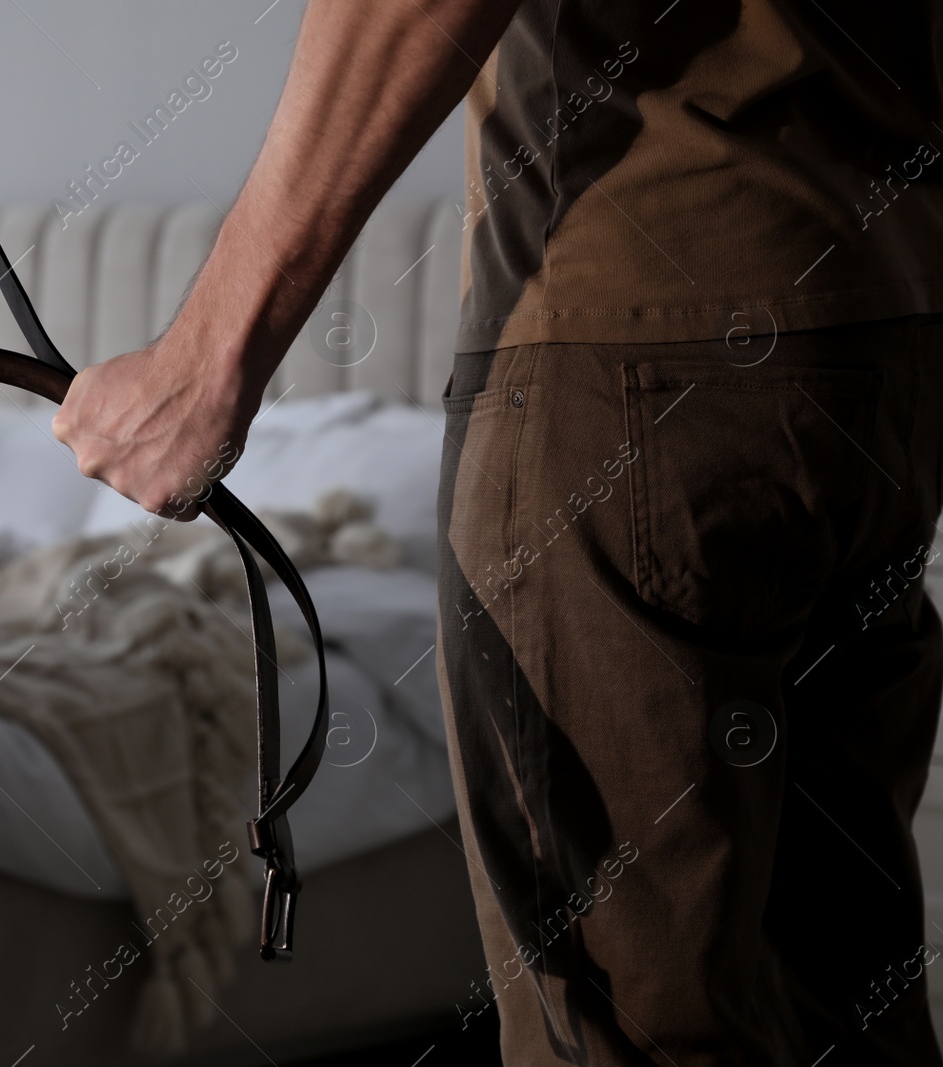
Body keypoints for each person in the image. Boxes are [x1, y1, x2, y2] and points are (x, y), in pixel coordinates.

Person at [53, 1, 943, 1062]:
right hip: (876, 333)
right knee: (841, 1006)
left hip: (628, 346)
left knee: (633, 1026)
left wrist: (207, 354)